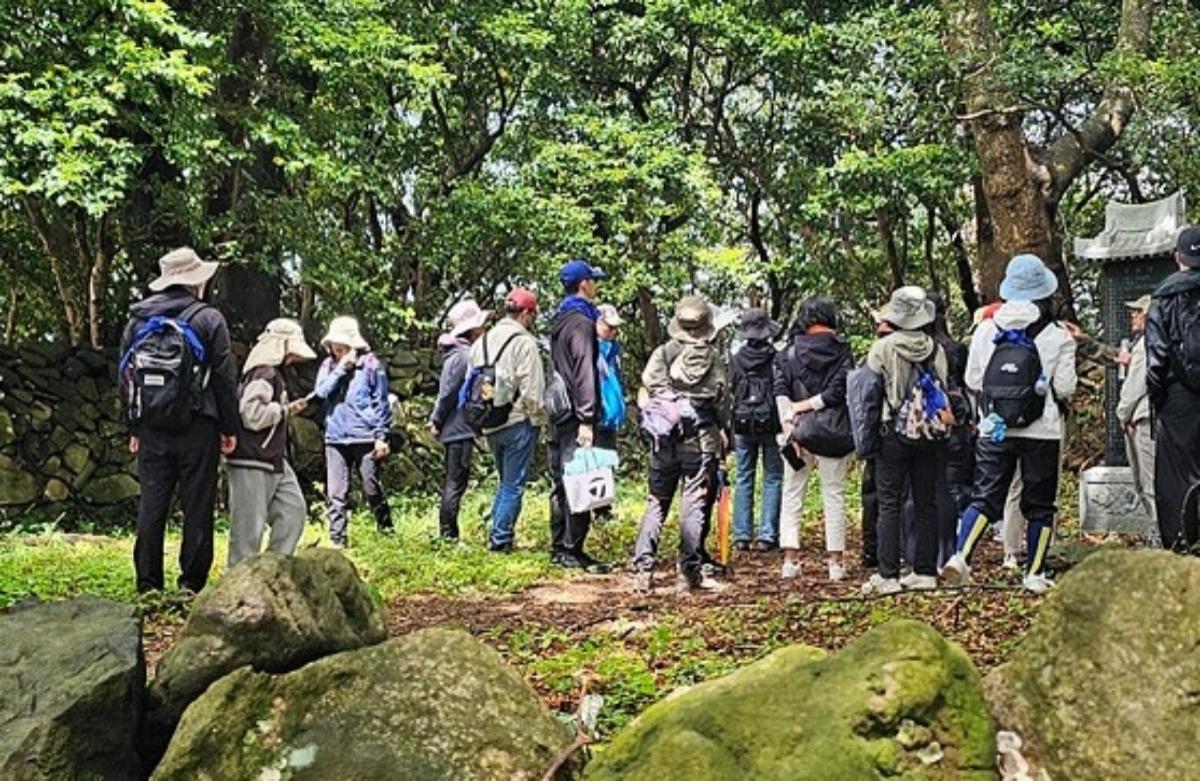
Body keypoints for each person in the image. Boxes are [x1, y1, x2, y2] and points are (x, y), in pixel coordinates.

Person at [943, 254, 1078, 593]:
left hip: (995, 426)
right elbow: (1065, 387)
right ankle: (1033, 574)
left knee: (986, 498)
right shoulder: (1058, 334)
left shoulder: (987, 329)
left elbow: (973, 379)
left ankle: (960, 556)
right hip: (1042, 430)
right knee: (1040, 505)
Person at [120, 247, 239, 595]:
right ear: (195, 282)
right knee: (197, 504)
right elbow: (223, 377)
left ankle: (148, 585)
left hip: (152, 428)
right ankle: (191, 584)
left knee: (152, 503)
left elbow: (125, 377)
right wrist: (229, 428)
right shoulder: (208, 318)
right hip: (198, 425)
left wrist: (133, 426)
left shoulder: (137, 321)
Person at [631, 296, 732, 594]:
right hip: (700, 439)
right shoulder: (712, 357)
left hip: (664, 437)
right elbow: (722, 399)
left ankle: (643, 571)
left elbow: (648, 381)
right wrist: (724, 430)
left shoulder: (664, 353)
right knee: (693, 503)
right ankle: (688, 573)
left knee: (656, 502)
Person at [862, 286, 952, 595]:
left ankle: (888, 575)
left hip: (892, 433)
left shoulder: (883, 348)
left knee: (890, 501)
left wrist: (867, 436)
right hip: (929, 434)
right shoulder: (934, 348)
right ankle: (925, 571)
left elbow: (869, 396)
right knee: (925, 500)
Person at [774, 297, 854, 581]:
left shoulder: (787, 353)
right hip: (833, 431)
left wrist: (790, 422)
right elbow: (838, 392)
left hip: (798, 432)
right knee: (834, 495)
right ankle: (835, 563)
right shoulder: (843, 351)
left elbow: (780, 389)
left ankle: (790, 560)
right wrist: (810, 405)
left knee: (792, 492)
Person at [226, 318, 316, 567]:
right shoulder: (264, 373)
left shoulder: (271, 374)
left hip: (272, 459)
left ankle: (272, 570)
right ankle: (238, 588)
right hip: (252, 458)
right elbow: (251, 415)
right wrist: (284, 410)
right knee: (247, 532)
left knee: (293, 511)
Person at [547, 260, 611, 571]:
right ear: (584, 285)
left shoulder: (558, 321)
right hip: (576, 413)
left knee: (561, 481)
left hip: (558, 411)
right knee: (579, 479)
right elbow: (585, 371)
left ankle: (559, 545)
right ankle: (572, 548)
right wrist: (587, 418)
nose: (596, 286)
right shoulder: (582, 323)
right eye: (593, 281)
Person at [470, 287, 545, 552]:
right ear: (526, 313)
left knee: (504, 482)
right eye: (533, 314)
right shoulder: (524, 343)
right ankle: (500, 540)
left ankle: (495, 532)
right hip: (517, 422)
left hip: (490, 421)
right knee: (513, 485)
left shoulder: (482, 342)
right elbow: (532, 391)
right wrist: (537, 420)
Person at [313, 316, 393, 548]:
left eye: (342, 344)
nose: (337, 347)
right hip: (335, 437)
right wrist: (340, 369)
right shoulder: (328, 366)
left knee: (370, 486)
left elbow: (381, 401)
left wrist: (381, 436)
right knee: (336, 492)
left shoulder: (370, 364)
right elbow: (320, 394)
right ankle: (338, 540)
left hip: (365, 435)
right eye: (334, 344)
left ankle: (386, 530)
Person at [1146, 226, 1200, 551]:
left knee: (1175, 475)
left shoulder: (1163, 296)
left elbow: (1156, 358)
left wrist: (1158, 398)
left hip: (1177, 397)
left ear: (1176, 257)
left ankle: (1181, 542)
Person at [429, 299, 489, 541]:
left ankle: (448, 535)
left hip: (457, 428)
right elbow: (447, 393)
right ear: (472, 329)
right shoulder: (464, 357)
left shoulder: (459, 355)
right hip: (459, 428)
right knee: (455, 483)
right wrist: (436, 419)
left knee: (455, 482)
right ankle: (448, 536)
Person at [728, 308, 784, 553]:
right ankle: (767, 535)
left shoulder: (736, 358)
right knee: (773, 477)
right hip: (771, 422)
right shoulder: (776, 358)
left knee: (743, 476)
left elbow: (730, 388)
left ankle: (741, 535)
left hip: (742, 423)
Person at [1116, 294, 1156, 536]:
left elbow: (1135, 388)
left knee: (1148, 483)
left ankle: (1159, 538)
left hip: (1142, 418)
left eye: (1138, 312)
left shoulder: (1144, 345)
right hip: (1160, 417)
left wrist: (1122, 413)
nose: (1133, 315)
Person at [595, 303, 627, 449]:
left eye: (616, 328)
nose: (614, 332)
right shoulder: (590, 350)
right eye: (610, 327)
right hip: (594, 422)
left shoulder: (613, 353)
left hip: (611, 424)